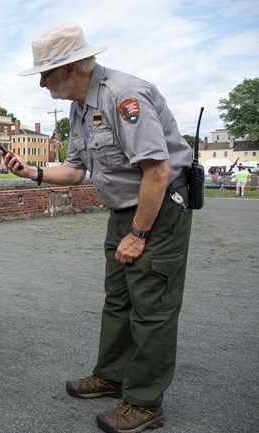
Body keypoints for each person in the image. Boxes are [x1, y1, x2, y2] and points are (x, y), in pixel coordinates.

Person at [10, 24, 193, 433]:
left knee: (152, 307)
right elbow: (76, 171)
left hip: (157, 211)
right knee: (119, 299)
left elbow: (159, 173)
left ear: (72, 67)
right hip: (124, 212)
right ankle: (112, 375)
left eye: (46, 73)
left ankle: (145, 402)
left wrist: (140, 233)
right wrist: (33, 171)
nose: (41, 82)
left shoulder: (124, 96)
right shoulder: (80, 106)